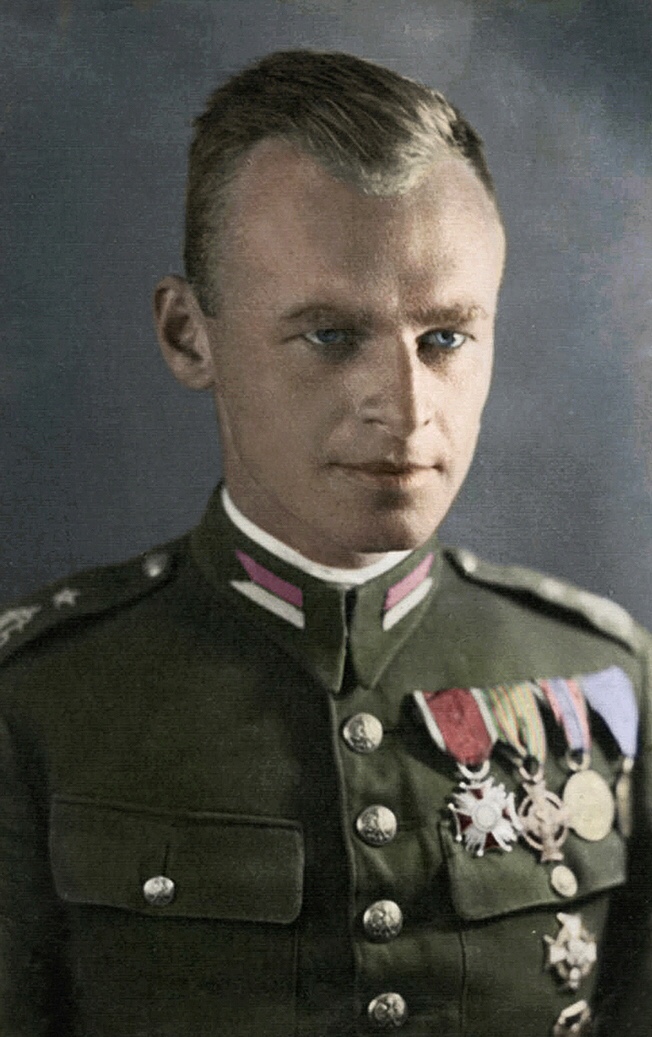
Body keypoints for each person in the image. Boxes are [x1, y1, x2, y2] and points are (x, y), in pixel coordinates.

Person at [0, 49, 650, 1037]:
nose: (407, 406)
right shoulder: (40, 697)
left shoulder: (603, 673)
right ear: (188, 335)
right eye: (332, 336)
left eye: (444, 337)